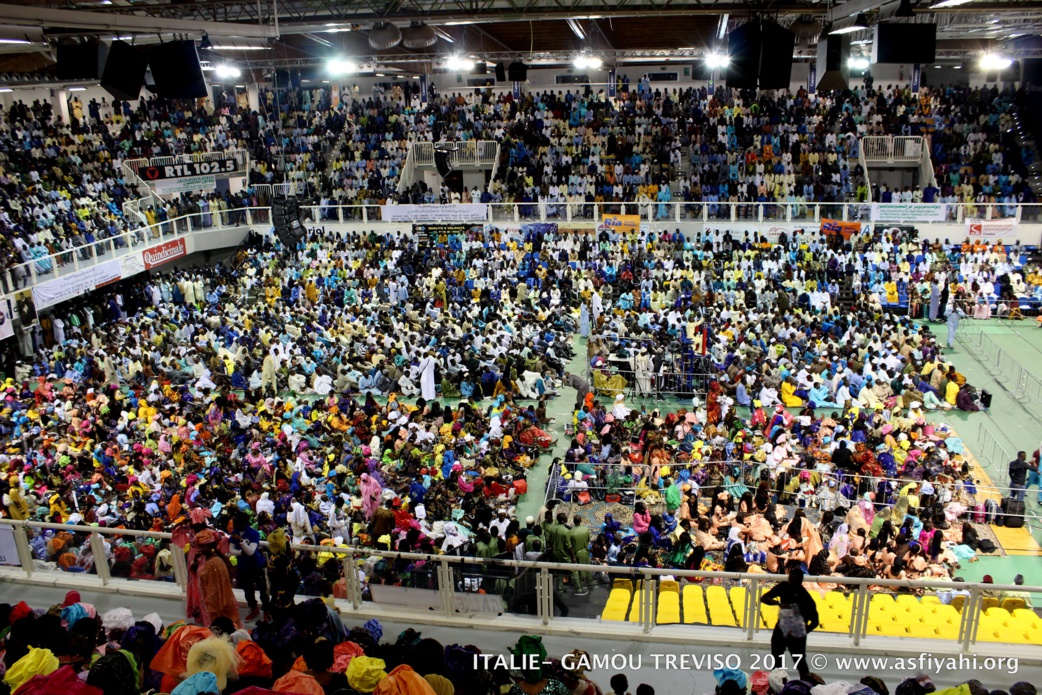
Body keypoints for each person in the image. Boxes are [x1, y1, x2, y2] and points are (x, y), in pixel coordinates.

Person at [760, 567, 818, 679]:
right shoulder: (783, 586)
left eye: (794, 581)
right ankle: (777, 684)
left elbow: (815, 621)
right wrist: (778, 603)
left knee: (800, 662)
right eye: (791, 580)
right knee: (777, 661)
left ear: (800, 581)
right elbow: (764, 598)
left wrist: (802, 632)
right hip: (781, 630)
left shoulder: (806, 599)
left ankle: (806, 684)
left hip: (797, 635)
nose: (792, 583)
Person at [192, 529, 241, 628]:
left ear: (211, 547)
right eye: (200, 546)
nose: (200, 549)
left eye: (203, 546)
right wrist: (195, 561)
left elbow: (221, 588)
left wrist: (212, 606)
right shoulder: (204, 559)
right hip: (207, 602)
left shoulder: (216, 562)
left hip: (216, 606)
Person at [230, 511, 269, 622]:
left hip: (256, 565)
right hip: (243, 567)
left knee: (263, 589)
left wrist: (241, 542)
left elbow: (251, 552)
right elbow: (231, 550)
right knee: (247, 590)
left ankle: (266, 610)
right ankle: (253, 608)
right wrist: (241, 553)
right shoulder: (234, 533)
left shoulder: (254, 533)